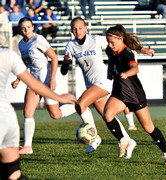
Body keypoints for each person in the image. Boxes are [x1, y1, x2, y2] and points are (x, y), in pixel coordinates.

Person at [61, 17, 154, 154]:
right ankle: (128, 141)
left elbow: (121, 42)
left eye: (80, 28)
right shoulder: (70, 45)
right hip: (91, 85)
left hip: (104, 81)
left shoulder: (95, 39)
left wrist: (142, 49)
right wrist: (66, 62)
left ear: (86, 28)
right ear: (71, 30)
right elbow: (64, 72)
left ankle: (94, 137)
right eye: (74, 29)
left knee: (80, 104)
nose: (77, 31)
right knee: (107, 116)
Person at [0, 47, 76, 180]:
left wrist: (58, 95)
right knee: (13, 175)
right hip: (7, 119)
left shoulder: (9, 54)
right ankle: (28, 146)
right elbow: (34, 83)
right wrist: (60, 98)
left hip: (5, 120)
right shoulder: (7, 53)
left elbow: (37, 81)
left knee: (12, 173)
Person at [103, 24, 166, 165]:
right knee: (108, 114)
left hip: (134, 93)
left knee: (148, 127)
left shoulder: (127, 54)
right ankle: (124, 140)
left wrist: (127, 73)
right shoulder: (110, 50)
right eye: (108, 42)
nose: (110, 45)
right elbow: (130, 44)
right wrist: (142, 49)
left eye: (112, 42)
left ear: (121, 39)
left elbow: (135, 68)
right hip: (119, 91)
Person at [11, 17, 76, 155]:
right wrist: (18, 79)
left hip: (46, 81)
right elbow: (25, 64)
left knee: (55, 114)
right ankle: (28, 147)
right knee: (28, 112)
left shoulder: (38, 39)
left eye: (28, 26)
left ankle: (77, 105)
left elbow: (54, 57)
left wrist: (52, 78)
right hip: (33, 83)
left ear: (33, 27)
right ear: (20, 30)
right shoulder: (21, 44)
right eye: (23, 28)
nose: (26, 29)